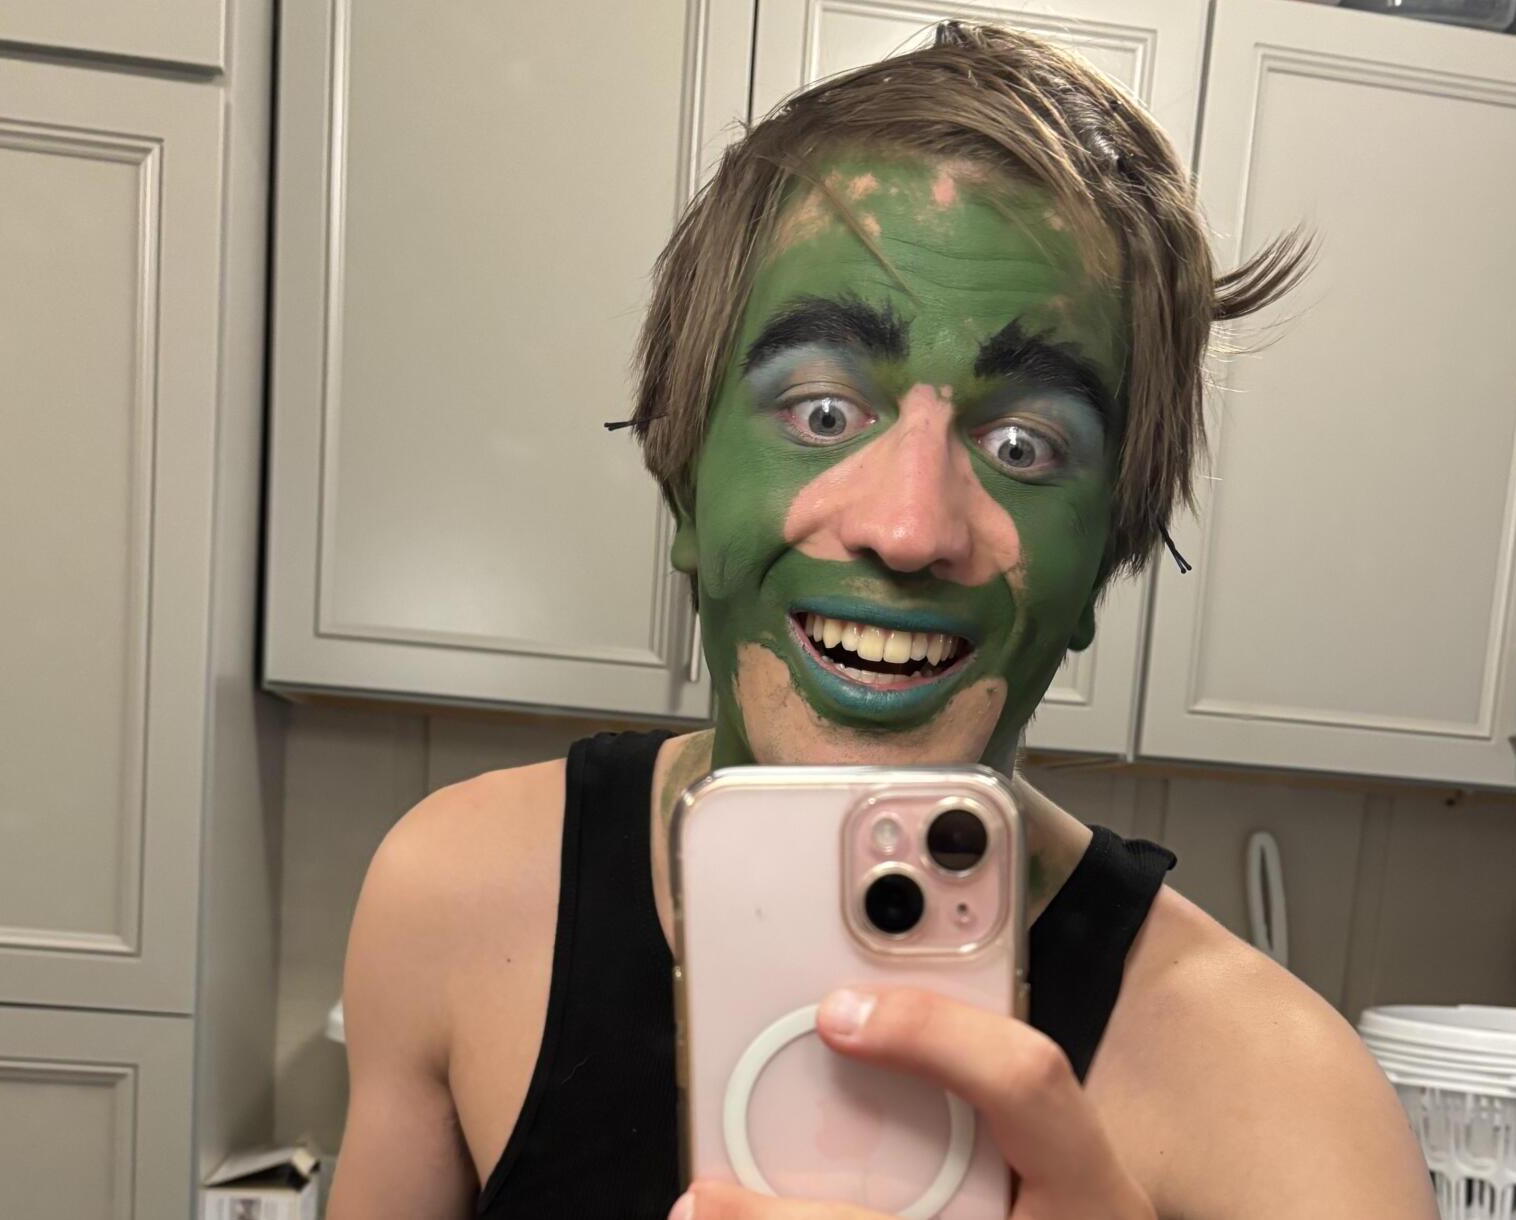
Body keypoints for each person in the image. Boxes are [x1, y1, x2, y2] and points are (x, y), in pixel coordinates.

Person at [328, 22, 1437, 1220]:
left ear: (1101, 564)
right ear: (685, 484)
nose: (911, 527)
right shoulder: (454, 898)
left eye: (1026, 445)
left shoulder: (1288, 1105)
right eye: (821, 411)